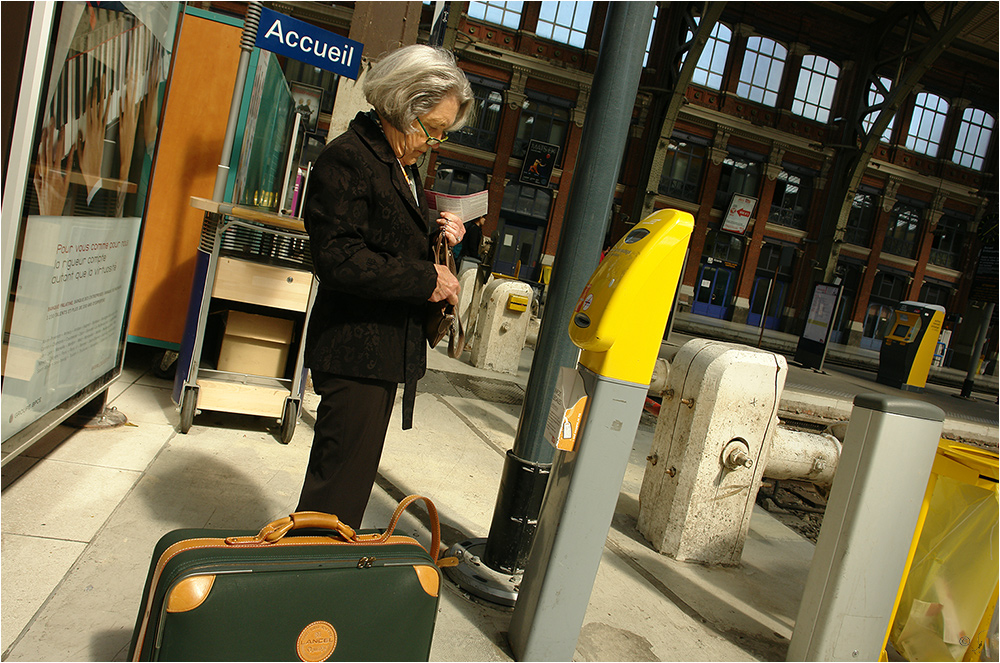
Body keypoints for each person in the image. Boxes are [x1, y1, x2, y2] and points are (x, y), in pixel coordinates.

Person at [296, 45, 474, 528]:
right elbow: (338, 259)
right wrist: (425, 278)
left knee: (348, 489)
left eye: (442, 132)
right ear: (399, 105)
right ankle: (306, 581)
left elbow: (384, 233)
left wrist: (436, 229)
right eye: (430, 128)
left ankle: (317, 576)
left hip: (378, 352)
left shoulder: (399, 164)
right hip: (355, 351)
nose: (433, 142)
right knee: (335, 493)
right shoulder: (349, 159)